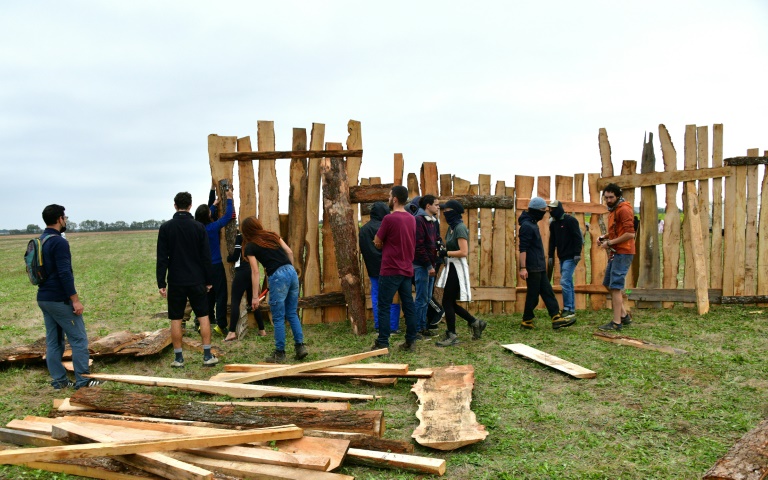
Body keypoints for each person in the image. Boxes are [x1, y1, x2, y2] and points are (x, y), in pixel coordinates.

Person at [37, 204, 101, 389]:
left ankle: (59, 381)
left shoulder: (41, 240)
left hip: (44, 297)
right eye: (65, 217)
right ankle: (83, 381)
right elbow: (65, 273)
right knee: (79, 340)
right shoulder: (59, 242)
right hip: (59, 299)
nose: (66, 220)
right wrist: (75, 300)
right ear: (59, 219)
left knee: (54, 340)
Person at [157, 192, 218, 367]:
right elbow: (205, 257)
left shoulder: (166, 228)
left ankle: (178, 358)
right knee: (203, 315)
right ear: (190, 206)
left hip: (176, 280)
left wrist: (161, 282)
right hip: (197, 279)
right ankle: (207, 356)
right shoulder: (199, 227)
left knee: (176, 318)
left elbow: (162, 258)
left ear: (175, 206)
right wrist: (208, 280)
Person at [241, 216, 308, 363]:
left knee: (278, 317)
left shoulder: (251, 246)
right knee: (291, 313)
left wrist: (254, 297)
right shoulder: (272, 236)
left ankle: (280, 353)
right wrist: (288, 270)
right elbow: (289, 252)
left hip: (277, 276)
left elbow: (255, 271)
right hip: (291, 272)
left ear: (245, 232)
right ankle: (300, 347)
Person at [371, 185, 419, 352]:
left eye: (390, 195)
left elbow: (377, 240)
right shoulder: (412, 219)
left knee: (384, 305)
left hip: (390, 268)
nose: (388, 198)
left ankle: (383, 342)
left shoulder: (389, 219)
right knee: (408, 305)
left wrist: (381, 244)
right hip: (407, 268)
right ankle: (411, 341)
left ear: (395, 199)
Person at [434, 199, 487, 347]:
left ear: (455, 212)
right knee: (450, 302)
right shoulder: (451, 228)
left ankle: (452, 334)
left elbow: (464, 252)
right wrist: (442, 250)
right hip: (451, 266)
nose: (445, 213)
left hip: (457, 268)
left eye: (447, 211)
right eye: (443, 211)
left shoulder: (460, 228)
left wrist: (446, 252)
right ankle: (475, 323)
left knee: (446, 301)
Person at [519, 197, 574, 330]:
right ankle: (526, 320)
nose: (545, 213)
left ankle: (556, 317)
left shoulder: (532, 223)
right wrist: (523, 267)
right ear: (536, 210)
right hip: (532, 266)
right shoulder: (527, 226)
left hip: (539, 266)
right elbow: (523, 248)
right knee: (533, 295)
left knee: (547, 292)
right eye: (543, 210)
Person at [194, 188, 235, 336]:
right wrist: (229, 199)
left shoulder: (196, 227)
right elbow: (227, 216)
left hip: (201, 268)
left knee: (206, 295)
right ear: (208, 216)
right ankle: (221, 324)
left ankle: (201, 323)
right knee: (221, 295)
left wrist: (212, 205)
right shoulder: (212, 228)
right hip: (215, 266)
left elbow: (205, 214)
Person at [598, 183, 636, 331]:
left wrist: (610, 242)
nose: (608, 200)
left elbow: (630, 234)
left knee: (615, 287)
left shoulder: (624, 209)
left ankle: (616, 322)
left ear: (618, 196)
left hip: (624, 252)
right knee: (608, 283)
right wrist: (604, 237)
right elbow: (617, 230)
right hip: (616, 251)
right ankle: (624, 316)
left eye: (611, 197)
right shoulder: (614, 209)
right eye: (606, 197)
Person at [359, 201, 401, 334]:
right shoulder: (386, 227)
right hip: (389, 267)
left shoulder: (364, 229)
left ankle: (379, 326)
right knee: (392, 296)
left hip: (372, 269)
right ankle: (392, 326)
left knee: (377, 297)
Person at [224, 230, 267, 342]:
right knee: (253, 301)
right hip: (251, 272)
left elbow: (236, 256)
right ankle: (262, 330)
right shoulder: (254, 240)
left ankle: (232, 332)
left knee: (235, 302)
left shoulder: (239, 237)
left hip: (241, 272)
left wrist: (229, 258)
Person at [411, 195, 442, 337]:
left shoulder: (434, 222)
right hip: (422, 266)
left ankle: (423, 327)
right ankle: (417, 329)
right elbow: (419, 246)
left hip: (430, 265)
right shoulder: (419, 220)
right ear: (428, 206)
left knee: (427, 297)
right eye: (436, 204)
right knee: (421, 299)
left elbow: (436, 241)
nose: (438, 207)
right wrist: (429, 265)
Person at [547, 199, 584, 319]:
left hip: (571, 256)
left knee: (564, 281)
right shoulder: (553, 224)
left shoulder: (570, 221)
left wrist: (577, 253)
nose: (550, 211)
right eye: (549, 209)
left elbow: (577, 237)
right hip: (562, 256)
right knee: (568, 282)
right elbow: (552, 241)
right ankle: (571, 309)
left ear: (559, 209)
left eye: (552, 209)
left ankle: (568, 308)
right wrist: (551, 255)